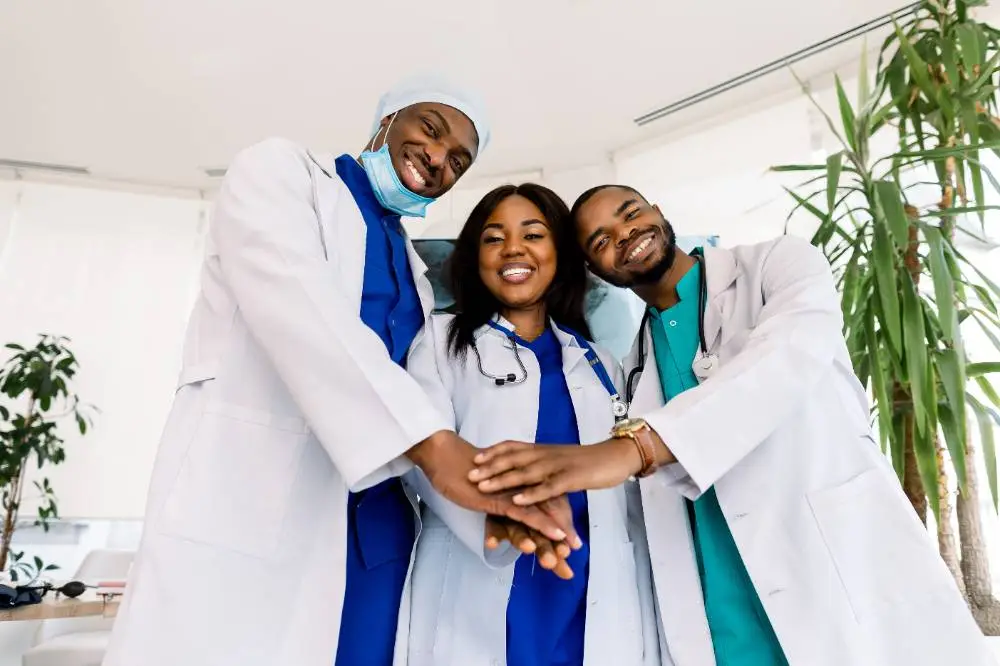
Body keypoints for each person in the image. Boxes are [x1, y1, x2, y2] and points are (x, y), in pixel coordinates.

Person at [102, 78, 577, 666]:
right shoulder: (279, 174)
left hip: (374, 542)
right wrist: (432, 445)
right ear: (385, 121)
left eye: (458, 159)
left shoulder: (414, 272)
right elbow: (297, 307)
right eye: (430, 129)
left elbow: (420, 403)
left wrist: (490, 510)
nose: (437, 158)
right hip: (253, 514)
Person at [467, 184, 995, 666]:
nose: (625, 235)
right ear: (597, 271)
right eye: (601, 240)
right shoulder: (630, 371)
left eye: (630, 214)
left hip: (838, 576)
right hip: (723, 610)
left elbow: (787, 355)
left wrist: (637, 448)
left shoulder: (777, 267)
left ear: (658, 210)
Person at [404, 183, 662, 666]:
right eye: (493, 238)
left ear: (560, 255)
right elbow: (421, 456)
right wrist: (495, 516)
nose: (514, 249)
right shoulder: (440, 343)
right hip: (480, 581)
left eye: (533, 234)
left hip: (592, 592)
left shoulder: (599, 361)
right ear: (474, 259)